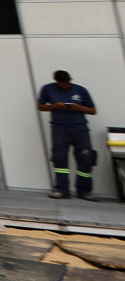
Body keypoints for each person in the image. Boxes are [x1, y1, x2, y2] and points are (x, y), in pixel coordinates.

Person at [38, 69, 99, 200]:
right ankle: (61, 190)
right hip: (59, 129)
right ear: (56, 81)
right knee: (59, 158)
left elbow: (93, 110)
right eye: (62, 84)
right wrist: (54, 106)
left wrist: (80, 108)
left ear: (70, 80)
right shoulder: (47, 89)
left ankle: (84, 191)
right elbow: (41, 107)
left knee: (85, 159)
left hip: (80, 129)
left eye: (67, 83)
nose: (65, 86)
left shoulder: (81, 90)